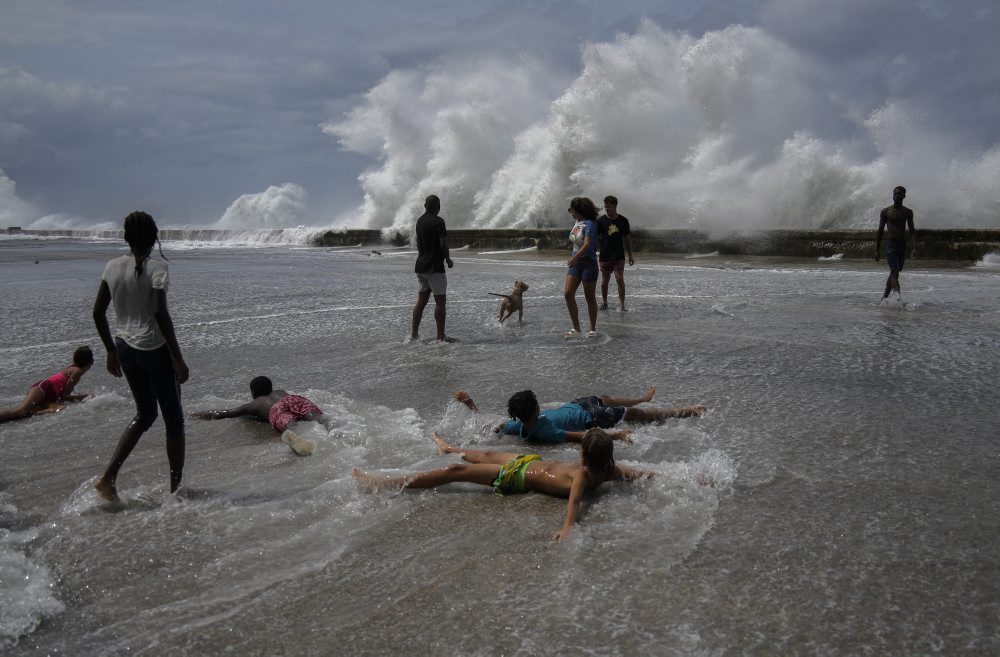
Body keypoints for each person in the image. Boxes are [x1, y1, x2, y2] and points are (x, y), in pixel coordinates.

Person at [352, 429, 654, 542]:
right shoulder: (610, 469)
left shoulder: (583, 476)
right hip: (529, 461)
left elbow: (574, 503)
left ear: (583, 454)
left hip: (518, 477)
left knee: (455, 471)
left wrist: (568, 528)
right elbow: (643, 474)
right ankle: (448, 446)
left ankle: (384, 483)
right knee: (483, 454)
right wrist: (690, 477)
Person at [92, 211, 190, 502]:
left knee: (145, 414)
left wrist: (110, 350)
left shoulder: (111, 267)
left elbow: (98, 313)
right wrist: (178, 357)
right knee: (174, 421)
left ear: (126, 237)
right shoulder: (157, 267)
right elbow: (159, 312)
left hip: (124, 347)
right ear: (154, 237)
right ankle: (174, 491)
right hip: (153, 349)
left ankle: (108, 478)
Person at [453, 387, 706, 445]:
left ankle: (642, 397)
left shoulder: (517, 426)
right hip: (590, 417)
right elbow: (577, 437)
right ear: (535, 410)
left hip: (576, 405)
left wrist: (472, 406)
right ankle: (684, 412)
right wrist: (616, 435)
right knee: (638, 415)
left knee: (605, 396)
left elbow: (491, 425)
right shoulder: (544, 432)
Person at [192, 376, 327, 456]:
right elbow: (290, 405)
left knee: (288, 421)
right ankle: (330, 424)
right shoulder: (280, 392)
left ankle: (293, 432)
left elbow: (226, 413)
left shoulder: (256, 404)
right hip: (294, 399)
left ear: (253, 392)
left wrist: (196, 414)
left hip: (277, 409)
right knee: (314, 416)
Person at [0, 346, 94, 423]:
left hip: (48, 394)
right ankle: (32, 412)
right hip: (43, 389)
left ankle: (33, 412)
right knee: (20, 412)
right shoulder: (77, 371)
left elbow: (63, 394)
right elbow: (64, 396)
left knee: (60, 408)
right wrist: (83, 397)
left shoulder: (73, 368)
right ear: (91, 362)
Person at [411, 194, 455, 342]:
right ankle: (440, 337)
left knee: (421, 301)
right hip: (434, 267)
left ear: (425, 206)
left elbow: (419, 243)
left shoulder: (420, 221)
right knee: (440, 302)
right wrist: (448, 259)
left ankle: (414, 334)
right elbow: (443, 244)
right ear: (438, 207)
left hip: (420, 266)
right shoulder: (438, 221)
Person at [564, 196, 600, 338]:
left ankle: (592, 329)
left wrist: (575, 257)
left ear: (577, 210)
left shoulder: (590, 224)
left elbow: (587, 244)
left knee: (589, 297)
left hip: (588, 263)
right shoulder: (577, 222)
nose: (570, 213)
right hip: (576, 264)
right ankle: (576, 328)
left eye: (571, 210)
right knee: (568, 294)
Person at [875, 186, 919, 300]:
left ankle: (884, 299)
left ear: (904, 196)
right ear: (892, 195)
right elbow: (880, 230)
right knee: (894, 272)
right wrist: (877, 250)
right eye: (895, 194)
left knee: (894, 273)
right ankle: (899, 299)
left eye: (900, 194)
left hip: (902, 245)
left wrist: (915, 248)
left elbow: (912, 230)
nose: (897, 196)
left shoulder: (907, 212)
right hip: (890, 245)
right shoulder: (886, 211)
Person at [597, 195, 635, 311]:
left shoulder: (623, 221)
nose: (606, 209)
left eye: (608, 206)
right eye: (605, 206)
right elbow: (596, 237)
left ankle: (622, 304)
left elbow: (627, 238)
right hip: (605, 255)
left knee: (619, 279)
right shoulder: (601, 221)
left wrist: (630, 255)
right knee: (605, 279)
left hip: (618, 255)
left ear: (615, 206)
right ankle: (604, 302)